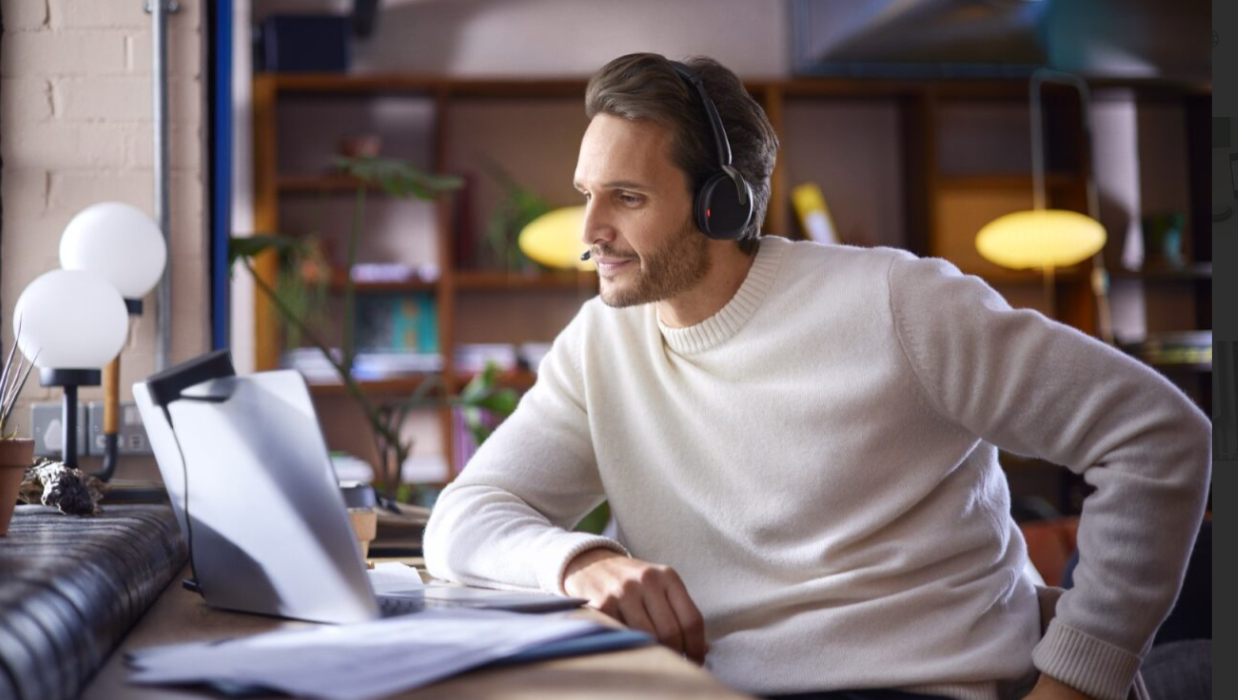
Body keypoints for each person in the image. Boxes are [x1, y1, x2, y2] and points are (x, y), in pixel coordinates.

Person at [423, 53, 1211, 700]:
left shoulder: (897, 302)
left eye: (625, 197)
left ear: (721, 206)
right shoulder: (603, 340)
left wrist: (1080, 675)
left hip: (914, 686)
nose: (590, 233)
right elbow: (465, 515)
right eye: (586, 196)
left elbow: (1158, 436)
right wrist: (580, 561)